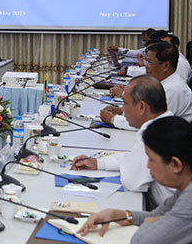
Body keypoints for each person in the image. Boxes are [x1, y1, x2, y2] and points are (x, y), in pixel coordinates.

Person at [78, 116, 192, 244]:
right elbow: (158, 215)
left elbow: (142, 241)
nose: (147, 165)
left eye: (151, 159)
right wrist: (120, 215)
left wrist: (151, 222)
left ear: (176, 165)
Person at [72, 75, 174, 207]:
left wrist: (121, 166)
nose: (123, 110)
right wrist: (98, 163)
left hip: (169, 212)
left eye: (125, 103)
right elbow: (134, 158)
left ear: (142, 106)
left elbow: (132, 181)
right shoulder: (165, 122)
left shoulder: (154, 132)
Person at [101, 42, 192, 128]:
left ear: (166, 66)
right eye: (146, 61)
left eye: (150, 62)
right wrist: (121, 110)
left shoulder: (173, 90)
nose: (146, 66)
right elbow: (147, 110)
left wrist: (114, 120)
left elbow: (152, 124)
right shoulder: (163, 83)